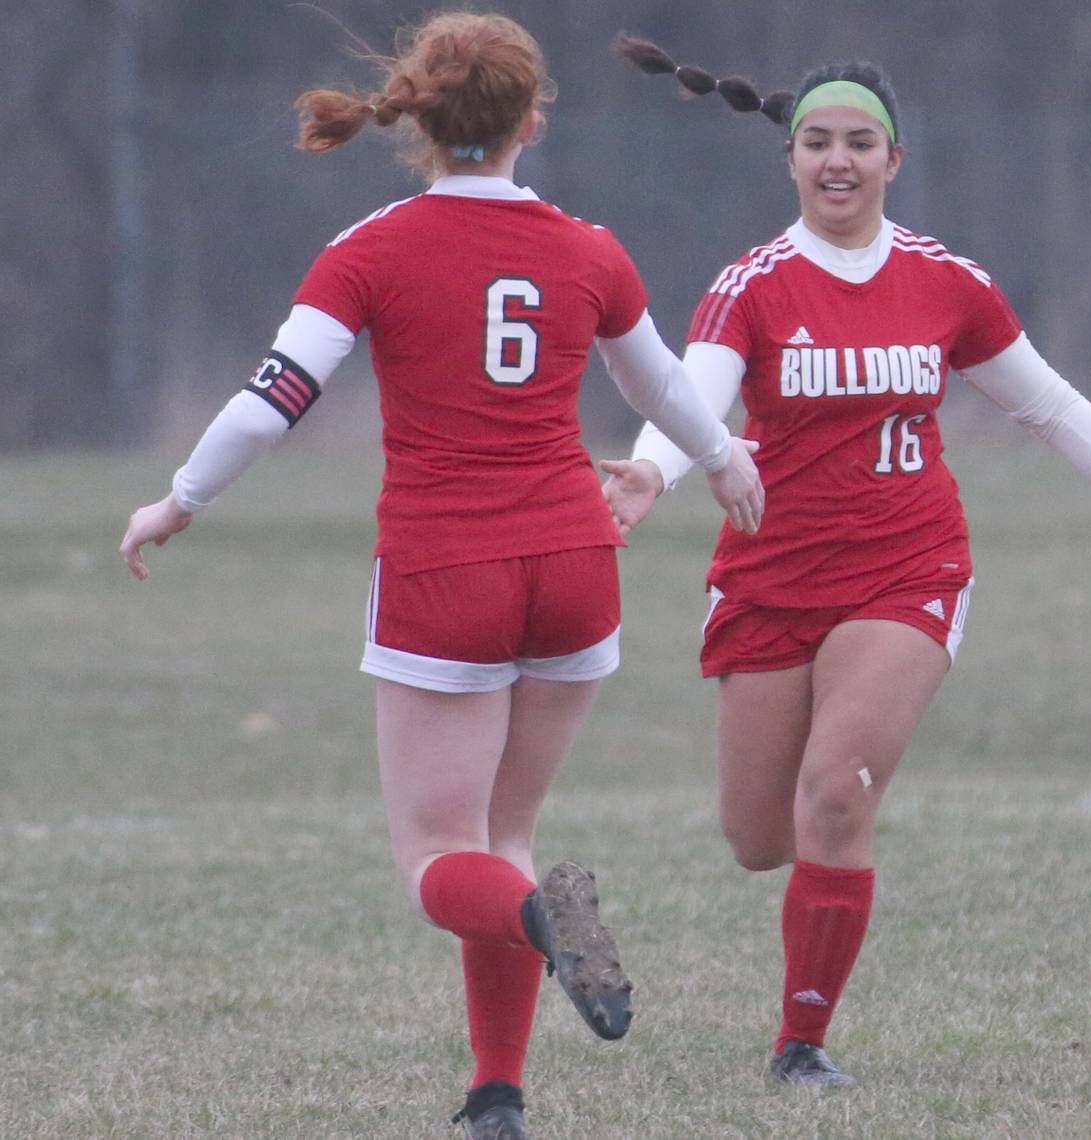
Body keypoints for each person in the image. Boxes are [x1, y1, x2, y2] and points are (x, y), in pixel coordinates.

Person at [119, 14, 764, 1140]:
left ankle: (535, 928)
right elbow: (663, 389)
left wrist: (179, 499)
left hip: (446, 568)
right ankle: (495, 1097)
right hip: (574, 563)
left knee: (438, 862)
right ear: (532, 118)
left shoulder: (371, 248)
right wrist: (725, 460)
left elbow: (271, 401)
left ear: (415, 115)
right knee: (502, 834)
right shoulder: (588, 246)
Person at [605, 37, 1091, 1088]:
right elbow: (694, 395)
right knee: (759, 839)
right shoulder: (751, 285)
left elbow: (1047, 402)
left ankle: (800, 1046)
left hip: (909, 569)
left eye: (859, 142)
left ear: (894, 159)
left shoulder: (945, 280)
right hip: (770, 579)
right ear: (791, 159)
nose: (837, 160)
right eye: (818, 142)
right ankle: (799, 989)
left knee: (838, 796)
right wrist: (647, 471)